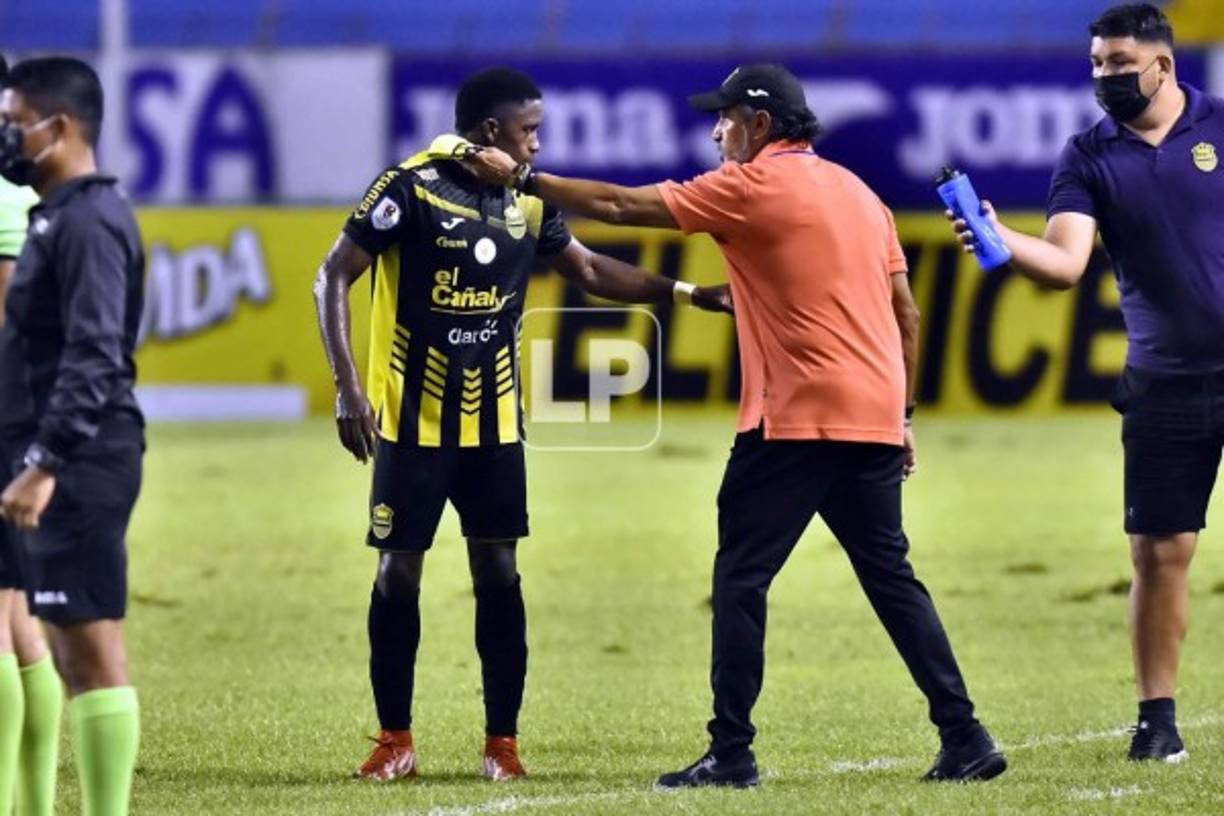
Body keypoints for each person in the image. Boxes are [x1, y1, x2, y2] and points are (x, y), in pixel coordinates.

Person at [465, 63, 1005, 786]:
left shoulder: (750, 186)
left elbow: (620, 206)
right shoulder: (863, 196)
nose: (717, 133)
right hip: (872, 417)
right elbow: (906, 315)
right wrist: (900, 415)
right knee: (892, 580)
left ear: (759, 124)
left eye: (724, 119)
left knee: (742, 580)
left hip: (794, 420)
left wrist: (526, 179)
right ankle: (965, 735)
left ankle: (732, 751)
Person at [312, 66, 731, 782]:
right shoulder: (408, 188)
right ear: (491, 130)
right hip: (411, 426)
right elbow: (332, 275)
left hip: (496, 427)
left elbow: (590, 271)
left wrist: (689, 293)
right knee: (397, 574)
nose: (537, 143)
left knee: (499, 571)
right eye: (529, 130)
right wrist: (349, 387)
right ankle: (395, 741)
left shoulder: (525, 201)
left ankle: (502, 745)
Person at [948, 3, 1222, 763]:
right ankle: (1157, 721)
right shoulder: (1087, 155)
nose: (1105, 77)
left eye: (1119, 63)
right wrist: (1002, 238)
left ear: (1163, 65)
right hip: (1164, 382)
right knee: (1159, 554)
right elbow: (1065, 263)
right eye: (1097, 64)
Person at [0, 57, 146, 814]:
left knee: (92, 655)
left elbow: (96, 354)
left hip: (81, 460)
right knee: (62, 646)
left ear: (57, 128)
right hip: (55, 454)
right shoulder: (55, 215)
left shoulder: (89, 221)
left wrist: (44, 462)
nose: (5, 136)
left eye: (13, 123)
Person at [0, 52, 61, 816]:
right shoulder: (23, 193)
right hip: (20, 422)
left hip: (6, 422)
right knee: (20, 622)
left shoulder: (6, 200)